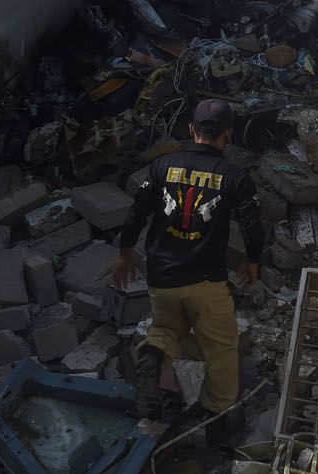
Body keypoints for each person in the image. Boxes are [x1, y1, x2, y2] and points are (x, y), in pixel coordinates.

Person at [113, 99, 261, 446]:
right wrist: (252, 261)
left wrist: (123, 255)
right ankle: (218, 420)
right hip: (206, 281)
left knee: (166, 328)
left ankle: (151, 356)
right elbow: (253, 226)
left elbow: (136, 213)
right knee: (222, 350)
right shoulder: (234, 176)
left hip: (163, 277)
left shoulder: (162, 167)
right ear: (228, 135)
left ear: (192, 130)